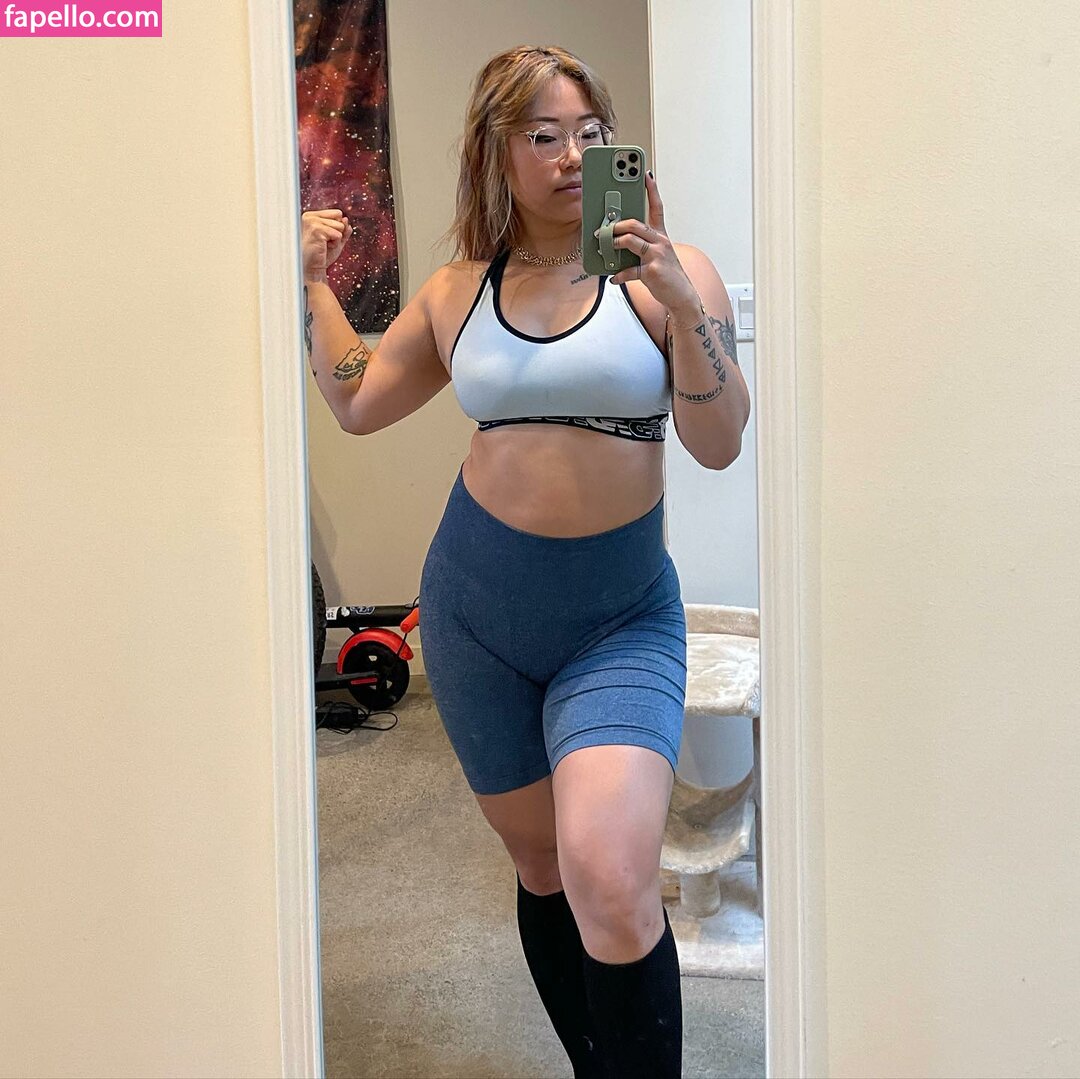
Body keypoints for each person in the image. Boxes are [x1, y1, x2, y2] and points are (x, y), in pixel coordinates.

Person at [301, 43, 750, 1079]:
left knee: (612, 874)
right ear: (494, 154)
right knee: (543, 862)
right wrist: (313, 287)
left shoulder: (668, 278)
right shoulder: (460, 289)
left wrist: (679, 301)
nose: (570, 155)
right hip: (475, 615)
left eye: (589, 133)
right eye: (542, 135)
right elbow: (359, 399)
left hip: (618, 618)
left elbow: (720, 440)